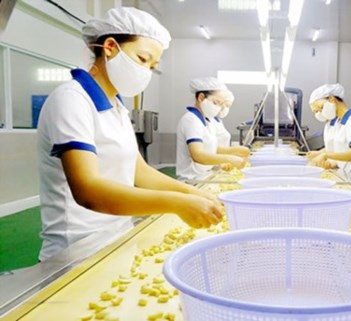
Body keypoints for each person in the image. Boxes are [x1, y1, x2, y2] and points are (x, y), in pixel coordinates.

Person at [36, 7, 223, 261]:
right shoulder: (71, 100)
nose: (147, 71)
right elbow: (88, 190)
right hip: (77, 249)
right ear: (110, 47)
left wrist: (194, 193)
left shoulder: (118, 108)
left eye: (153, 65)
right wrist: (177, 204)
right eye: (143, 59)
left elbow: (140, 172)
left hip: (116, 238)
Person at [176, 78, 248, 180]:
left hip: (205, 175)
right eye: (216, 102)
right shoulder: (191, 120)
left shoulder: (207, 121)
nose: (219, 108)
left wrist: (236, 151)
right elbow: (198, 155)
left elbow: (212, 148)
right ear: (201, 97)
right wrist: (229, 158)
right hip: (192, 179)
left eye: (221, 104)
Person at [307, 84, 351, 182]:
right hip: (344, 178)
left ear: (332, 99)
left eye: (321, 107)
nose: (320, 112)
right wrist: (322, 155)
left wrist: (326, 155)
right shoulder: (339, 122)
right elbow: (340, 150)